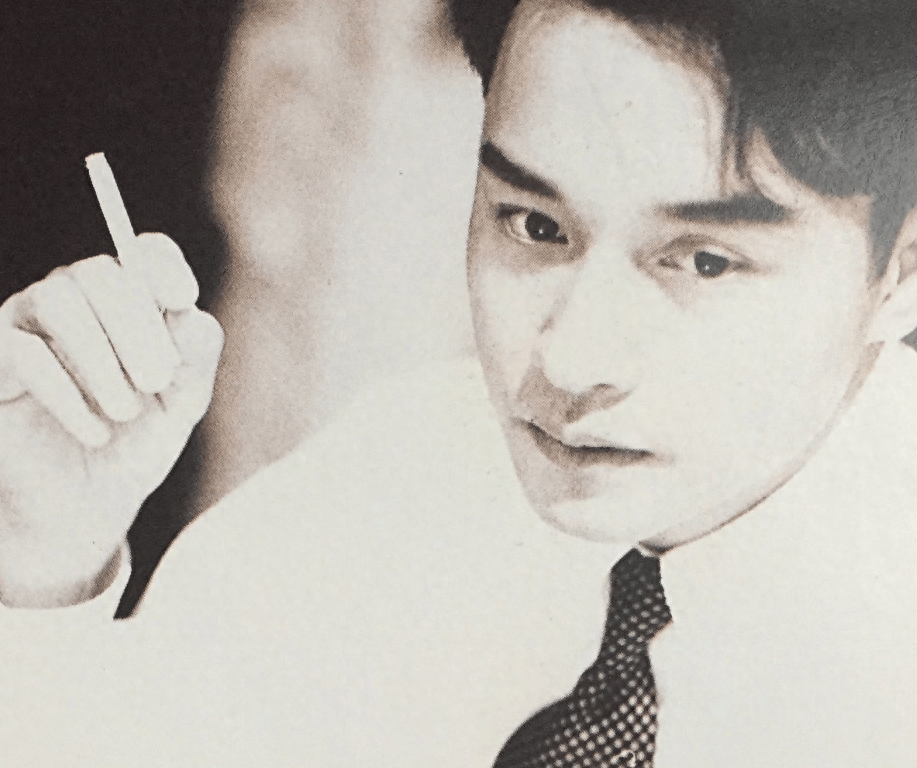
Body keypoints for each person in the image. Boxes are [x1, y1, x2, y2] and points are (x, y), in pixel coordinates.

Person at [3, 0, 917, 765]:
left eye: (705, 261)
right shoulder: (396, 476)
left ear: (901, 274)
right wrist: (45, 561)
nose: (570, 360)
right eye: (534, 225)